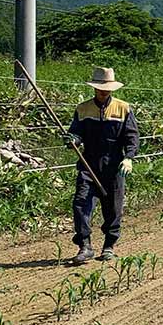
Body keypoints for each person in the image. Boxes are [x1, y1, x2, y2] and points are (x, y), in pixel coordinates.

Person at [67, 67, 139, 264]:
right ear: (94, 88)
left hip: (114, 164)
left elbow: (132, 136)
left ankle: (109, 246)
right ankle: (85, 246)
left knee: (113, 208)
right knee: (81, 203)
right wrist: (72, 139)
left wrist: (129, 157)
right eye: (100, 89)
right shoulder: (83, 109)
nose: (103, 92)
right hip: (88, 163)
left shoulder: (123, 108)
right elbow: (76, 133)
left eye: (106, 89)